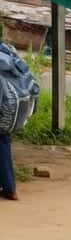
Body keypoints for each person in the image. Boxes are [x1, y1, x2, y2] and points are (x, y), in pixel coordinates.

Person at [0, 41, 40, 199]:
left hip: (4, 103)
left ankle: (9, 188)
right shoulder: (6, 50)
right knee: (3, 143)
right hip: (10, 107)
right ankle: (10, 188)